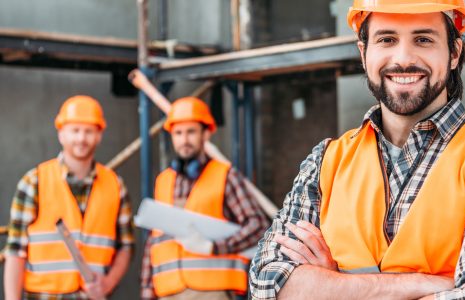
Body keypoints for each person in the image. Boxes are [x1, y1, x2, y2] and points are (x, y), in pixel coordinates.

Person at [250, 0, 465, 299]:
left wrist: (331, 284)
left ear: (454, 53)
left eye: (423, 39)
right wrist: (415, 285)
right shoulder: (325, 163)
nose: (403, 58)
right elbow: (266, 286)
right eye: (387, 39)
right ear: (364, 53)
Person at [3, 95, 134, 300]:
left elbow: (126, 246)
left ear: (99, 135)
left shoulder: (115, 186)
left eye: (89, 131)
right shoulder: (34, 182)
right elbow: (15, 251)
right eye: (75, 130)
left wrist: (108, 284)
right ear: (61, 134)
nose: (81, 138)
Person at [140, 97, 271, 300]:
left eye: (191, 132)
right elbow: (155, 240)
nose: (184, 140)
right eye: (178, 133)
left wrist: (214, 247)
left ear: (206, 133)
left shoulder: (225, 175)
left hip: (211, 292)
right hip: (167, 291)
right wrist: (147, 288)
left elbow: (258, 225)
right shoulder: (163, 181)